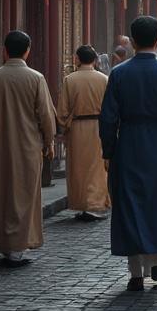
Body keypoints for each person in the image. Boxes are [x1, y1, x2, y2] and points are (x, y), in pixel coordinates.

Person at [100, 16, 157, 292]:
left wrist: (108, 149)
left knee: (130, 204)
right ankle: (155, 261)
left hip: (128, 143)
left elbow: (107, 118)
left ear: (133, 40)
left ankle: (135, 272)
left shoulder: (118, 73)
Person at [0, 31, 57, 266]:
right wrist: (49, 141)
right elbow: (46, 116)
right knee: (25, 194)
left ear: (5, 50)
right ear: (27, 50)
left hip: (0, 146)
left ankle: (4, 243)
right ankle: (19, 245)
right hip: (29, 146)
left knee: (2, 194)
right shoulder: (36, 78)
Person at [59, 45, 110, 221]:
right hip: (99, 127)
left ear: (77, 59)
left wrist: (64, 127)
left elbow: (63, 110)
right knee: (97, 167)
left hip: (78, 128)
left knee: (79, 167)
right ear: (95, 60)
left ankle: (82, 203)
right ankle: (95, 204)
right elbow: (110, 108)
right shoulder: (104, 79)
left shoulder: (70, 80)